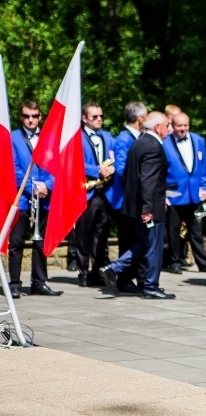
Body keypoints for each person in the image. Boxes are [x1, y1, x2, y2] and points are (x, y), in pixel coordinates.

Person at [100, 112, 174, 300]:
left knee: (145, 243)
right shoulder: (153, 146)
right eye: (167, 124)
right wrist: (148, 208)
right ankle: (150, 286)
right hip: (148, 207)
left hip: (135, 205)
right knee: (153, 245)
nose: (169, 128)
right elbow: (147, 180)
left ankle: (114, 269)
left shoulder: (139, 142)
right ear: (158, 127)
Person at [7, 101, 62, 298]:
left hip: (44, 197)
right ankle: (14, 283)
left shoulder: (49, 138)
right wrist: (33, 188)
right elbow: (13, 169)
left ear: (40, 117)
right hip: (22, 198)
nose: (31, 120)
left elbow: (56, 165)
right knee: (17, 242)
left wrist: (47, 185)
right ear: (20, 117)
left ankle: (39, 282)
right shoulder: (12, 138)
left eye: (34, 116)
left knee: (41, 242)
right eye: (26, 116)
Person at [74, 102, 119, 287]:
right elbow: (75, 162)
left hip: (105, 192)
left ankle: (97, 271)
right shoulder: (77, 138)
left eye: (101, 116)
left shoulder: (108, 137)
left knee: (102, 234)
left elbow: (118, 157)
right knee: (84, 234)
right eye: (94, 117)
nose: (99, 119)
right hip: (87, 191)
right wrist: (97, 170)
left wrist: (113, 168)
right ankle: (82, 272)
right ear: (84, 118)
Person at [163, 111, 206, 274]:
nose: (182, 129)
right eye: (179, 126)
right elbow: (161, 171)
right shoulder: (165, 143)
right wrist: (163, 193)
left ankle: (202, 263)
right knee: (173, 231)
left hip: (195, 194)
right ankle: (174, 261)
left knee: (197, 231)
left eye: (185, 125)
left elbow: (203, 166)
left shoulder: (199, 141)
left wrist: (205, 187)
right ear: (173, 126)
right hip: (174, 195)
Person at [112, 101, 147, 292]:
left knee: (138, 238)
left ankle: (140, 278)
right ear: (140, 119)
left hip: (135, 199)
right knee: (128, 240)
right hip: (126, 200)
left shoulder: (137, 137)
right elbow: (122, 169)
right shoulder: (124, 139)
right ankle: (124, 280)